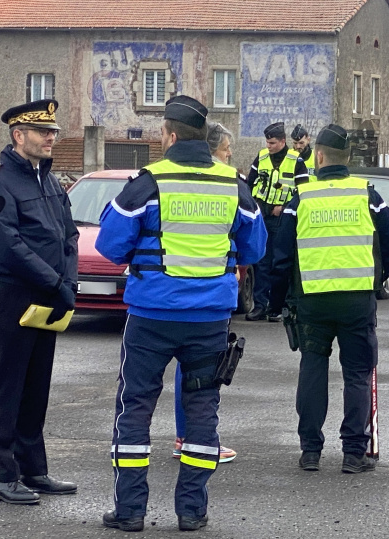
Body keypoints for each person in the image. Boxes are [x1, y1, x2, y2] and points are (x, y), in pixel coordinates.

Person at [95, 95, 267, 532]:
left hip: (151, 317)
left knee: (135, 406)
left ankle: (130, 511)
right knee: (202, 409)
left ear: (168, 134)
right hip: (209, 320)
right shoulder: (233, 184)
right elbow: (255, 248)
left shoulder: (148, 182)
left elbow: (109, 246)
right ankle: (192, 511)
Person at [270, 124, 389, 474]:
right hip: (358, 301)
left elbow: (281, 259)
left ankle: (311, 451)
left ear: (321, 156)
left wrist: (277, 301)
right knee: (357, 374)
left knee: (313, 369)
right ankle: (354, 454)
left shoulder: (301, 200)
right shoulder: (369, 196)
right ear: (348, 159)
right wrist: (378, 281)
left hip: (313, 302)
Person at [0, 99, 79, 505]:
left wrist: (69, 280)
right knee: (9, 385)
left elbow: (69, 235)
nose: (52, 137)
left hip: (51, 294)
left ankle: (34, 469)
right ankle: (5, 476)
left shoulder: (49, 181)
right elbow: (8, 246)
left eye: (53, 131)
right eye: (43, 132)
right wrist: (54, 281)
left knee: (37, 385)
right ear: (19, 136)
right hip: (16, 294)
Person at [172, 121, 239, 464]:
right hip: (206, 297)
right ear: (212, 150)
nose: (231, 157)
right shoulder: (223, 185)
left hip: (168, 294)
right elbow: (254, 243)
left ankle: (185, 437)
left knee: (170, 376)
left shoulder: (168, 179)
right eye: (227, 151)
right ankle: (194, 441)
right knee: (200, 376)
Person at [245, 122, 309, 322]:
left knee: (280, 263)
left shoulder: (296, 161)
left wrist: (285, 208)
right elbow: (249, 184)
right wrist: (260, 206)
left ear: (282, 141)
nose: (269, 145)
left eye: (272, 142)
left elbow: (303, 191)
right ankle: (260, 305)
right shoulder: (262, 157)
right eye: (267, 142)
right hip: (264, 217)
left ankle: (277, 307)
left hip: (284, 219)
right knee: (262, 262)